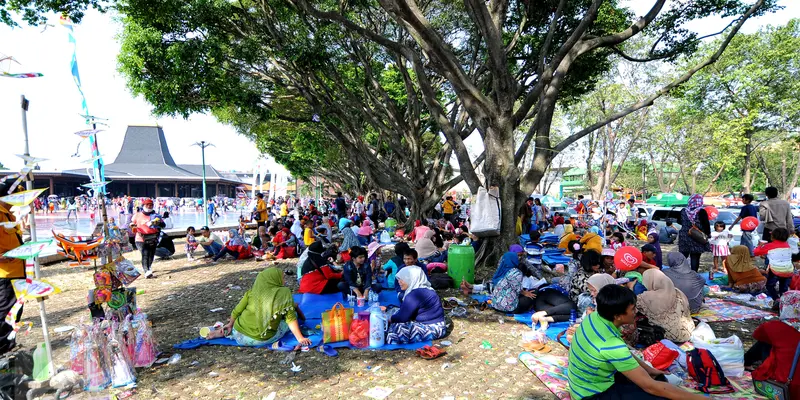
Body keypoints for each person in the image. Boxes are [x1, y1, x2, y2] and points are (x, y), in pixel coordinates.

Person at [567, 284, 706, 400]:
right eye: (632, 309)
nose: (636, 312)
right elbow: (650, 387)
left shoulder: (596, 317)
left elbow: (623, 355)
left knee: (658, 379)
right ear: (618, 316)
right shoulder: (611, 343)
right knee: (661, 393)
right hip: (591, 395)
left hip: (583, 384)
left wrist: (650, 370)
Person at [209, 268, 311, 347]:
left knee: (246, 316)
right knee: (289, 317)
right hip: (259, 339)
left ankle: (226, 333)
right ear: (275, 279)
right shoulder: (283, 294)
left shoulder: (252, 292)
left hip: (238, 333)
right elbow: (290, 319)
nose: (284, 280)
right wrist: (300, 338)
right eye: (282, 277)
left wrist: (230, 324)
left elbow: (236, 311)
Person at [386, 266, 446, 344]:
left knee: (394, 331)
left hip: (433, 328)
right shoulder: (426, 289)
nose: (399, 282)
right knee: (395, 312)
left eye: (402, 279)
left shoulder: (414, 294)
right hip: (440, 326)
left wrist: (388, 320)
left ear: (411, 278)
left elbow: (402, 317)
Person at [745, 320, 800, 400]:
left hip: (787, 387)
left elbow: (757, 334)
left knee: (765, 343)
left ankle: (746, 361)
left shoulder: (775, 327)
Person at [637, 269, 695, 343]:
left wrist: (631, 287)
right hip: (688, 330)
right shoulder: (678, 291)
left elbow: (633, 308)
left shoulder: (646, 297)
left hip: (668, 335)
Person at [0, 187, 24, 354]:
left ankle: (9, 345)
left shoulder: (9, 214)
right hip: (5, 274)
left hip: (17, 271)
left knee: (16, 310)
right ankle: (2, 350)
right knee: (5, 312)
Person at [489, 245, 537, 313]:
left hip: (495, 304)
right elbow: (519, 290)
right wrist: (525, 293)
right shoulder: (516, 273)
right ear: (514, 259)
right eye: (517, 256)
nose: (519, 258)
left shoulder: (503, 270)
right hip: (509, 308)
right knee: (534, 292)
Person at [754, 227, 794, 308]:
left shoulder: (769, 246)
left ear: (773, 236)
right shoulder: (788, 245)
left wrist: (760, 245)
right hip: (788, 270)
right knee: (783, 288)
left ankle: (777, 299)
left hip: (776, 270)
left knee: (769, 285)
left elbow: (756, 252)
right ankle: (784, 304)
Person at [130, 199, 164, 278]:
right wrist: (132, 226)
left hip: (153, 237)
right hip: (140, 238)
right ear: (143, 206)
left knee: (151, 254)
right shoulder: (137, 215)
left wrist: (158, 223)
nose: (149, 206)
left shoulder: (156, 215)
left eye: (151, 205)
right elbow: (131, 224)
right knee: (145, 254)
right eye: (147, 205)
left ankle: (148, 267)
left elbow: (163, 225)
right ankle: (147, 271)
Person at [678, 194, 711, 272]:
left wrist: (687, 225)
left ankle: (678, 272)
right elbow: (706, 224)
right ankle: (694, 274)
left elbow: (679, 221)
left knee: (683, 256)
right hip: (696, 237)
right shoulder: (701, 211)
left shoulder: (683, 210)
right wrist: (707, 234)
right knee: (695, 257)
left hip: (684, 236)